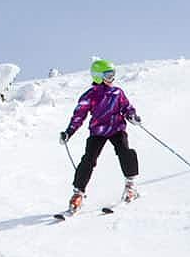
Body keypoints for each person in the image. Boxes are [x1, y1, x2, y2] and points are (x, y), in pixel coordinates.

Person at [59, 59, 141, 213]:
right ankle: (78, 194)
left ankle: (131, 187)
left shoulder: (117, 92)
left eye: (113, 75)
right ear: (98, 76)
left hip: (117, 128)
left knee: (125, 152)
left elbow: (126, 107)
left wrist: (132, 115)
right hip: (98, 131)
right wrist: (69, 132)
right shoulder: (90, 96)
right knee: (88, 160)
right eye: (109, 75)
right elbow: (79, 116)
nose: (112, 78)